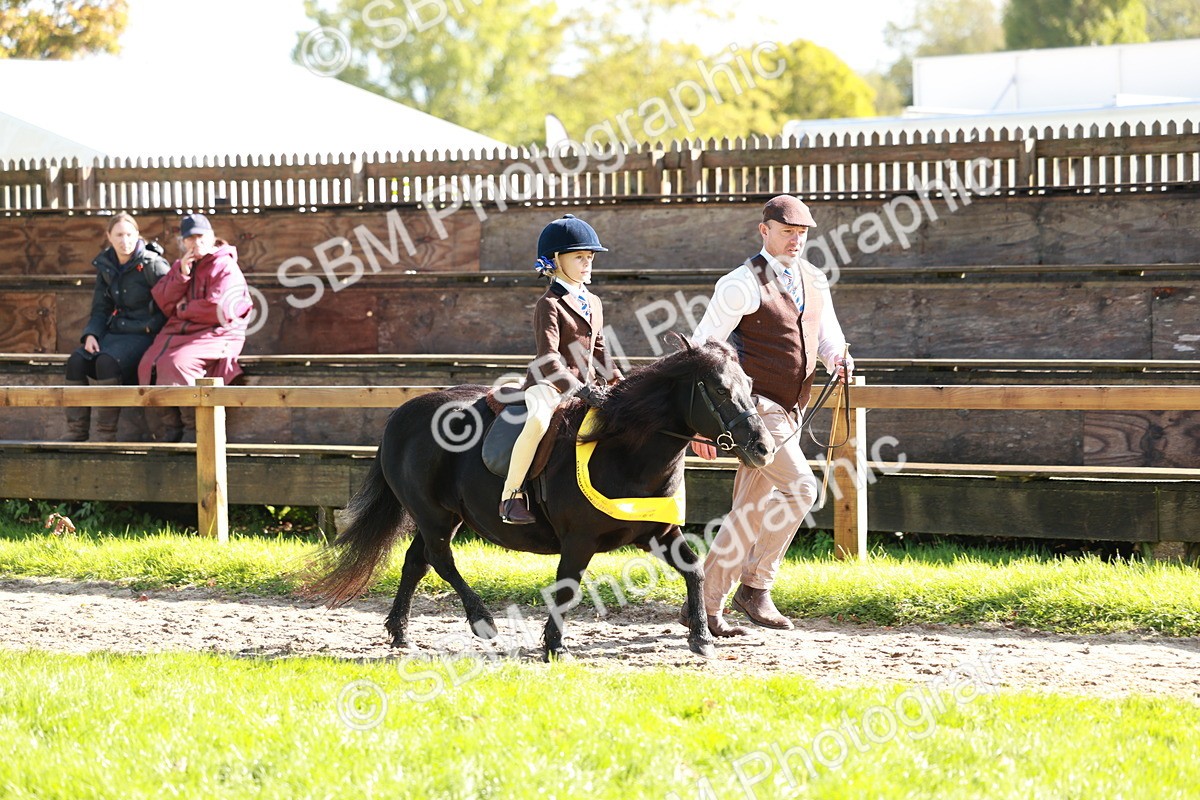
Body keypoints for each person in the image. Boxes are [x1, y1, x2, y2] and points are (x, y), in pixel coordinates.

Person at [689, 195, 853, 636]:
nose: (795, 240)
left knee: (749, 509)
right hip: (754, 411)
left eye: (802, 234)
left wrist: (839, 358)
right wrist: (700, 426)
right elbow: (704, 352)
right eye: (787, 232)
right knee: (801, 488)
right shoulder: (739, 284)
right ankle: (757, 586)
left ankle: (705, 606)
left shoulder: (815, 280)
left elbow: (827, 338)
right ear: (764, 230)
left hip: (794, 407)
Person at [499, 214, 623, 524]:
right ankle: (511, 495)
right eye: (579, 257)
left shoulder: (593, 301)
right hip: (548, 385)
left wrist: (620, 382)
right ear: (556, 259)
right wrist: (582, 390)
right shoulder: (549, 304)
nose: (587, 263)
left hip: (587, 385)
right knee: (539, 422)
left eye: (590, 257)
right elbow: (549, 360)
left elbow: (600, 351)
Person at [138, 213, 251, 443]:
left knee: (177, 364)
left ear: (211, 237)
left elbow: (220, 309)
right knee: (148, 363)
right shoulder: (183, 265)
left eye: (200, 236)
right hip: (185, 333)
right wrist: (182, 276)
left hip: (219, 333)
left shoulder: (225, 265)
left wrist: (184, 309)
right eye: (190, 238)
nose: (196, 242)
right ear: (183, 241)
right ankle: (172, 429)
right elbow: (163, 299)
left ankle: (194, 431)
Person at [62, 213, 171, 441]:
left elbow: (171, 303)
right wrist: (91, 335)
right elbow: (101, 308)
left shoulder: (153, 264)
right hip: (116, 333)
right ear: (108, 236)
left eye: (130, 234)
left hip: (145, 335)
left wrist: (155, 330)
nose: (125, 241)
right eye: (119, 235)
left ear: (137, 235)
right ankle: (76, 433)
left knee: (106, 361)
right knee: (76, 361)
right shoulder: (106, 265)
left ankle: (105, 435)